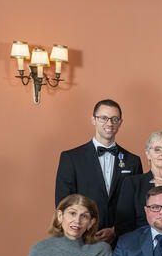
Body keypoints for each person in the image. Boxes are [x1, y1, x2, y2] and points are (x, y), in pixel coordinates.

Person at [54, 99, 142, 245]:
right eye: (103, 118)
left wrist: (115, 230)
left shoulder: (133, 161)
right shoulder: (71, 158)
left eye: (114, 119)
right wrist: (86, 230)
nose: (109, 123)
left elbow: (136, 204)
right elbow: (63, 202)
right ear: (93, 120)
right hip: (82, 238)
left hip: (121, 241)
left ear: (120, 122)